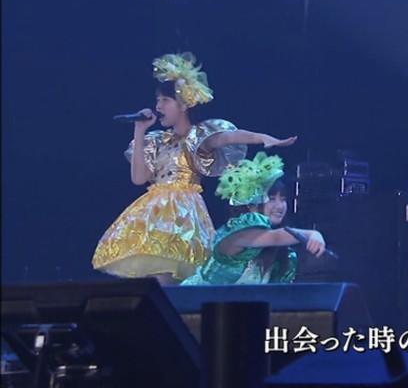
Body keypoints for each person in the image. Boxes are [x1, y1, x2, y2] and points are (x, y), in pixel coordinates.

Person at [92, 52, 298, 285]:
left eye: (164, 100)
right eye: (157, 100)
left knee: (171, 274)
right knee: (153, 272)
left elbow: (229, 137)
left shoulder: (198, 137)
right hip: (154, 212)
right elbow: (139, 179)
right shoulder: (158, 140)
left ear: (182, 104)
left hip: (183, 213)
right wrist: (139, 131)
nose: (158, 106)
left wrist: (262, 138)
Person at [182, 152, 326, 285]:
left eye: (283, 199)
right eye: (271, 198)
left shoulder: (284, 256)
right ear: (251, 205)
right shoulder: (236, 234)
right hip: (196, 302)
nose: (280, 206)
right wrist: (312, 234)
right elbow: (275, 237)